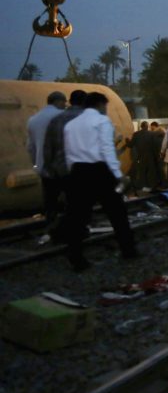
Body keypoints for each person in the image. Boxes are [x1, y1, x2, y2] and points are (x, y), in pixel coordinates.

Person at [58, 92, 138, 271]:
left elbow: (69, 152)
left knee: (77, 217)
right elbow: (107, 149)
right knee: (117, 214)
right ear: (100, 104)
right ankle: (128, 249)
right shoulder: (102, 122)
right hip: (99, 171)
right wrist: (118, 174)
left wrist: (73, 173)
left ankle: (76, 257)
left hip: (78, 171)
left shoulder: (70, 125)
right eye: (105, 106)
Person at [41, 89, 87, 216]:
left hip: (60, 169)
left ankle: (54, 229)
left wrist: (50, 170)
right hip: (82, 170)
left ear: (70, 102)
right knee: (79, 207)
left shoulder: (56, 120)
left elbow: (48, 148)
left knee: (56, 207)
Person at [26, 90, 67, 224]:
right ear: (58, 101)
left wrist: (37, 165)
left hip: (45, 168)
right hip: (64, 166)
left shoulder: (33, 120)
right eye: (64, 102)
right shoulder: (63, 116)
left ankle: (51, 228)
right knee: (71, 200)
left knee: (50, 202)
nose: (65, 105)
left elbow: (30, 147)